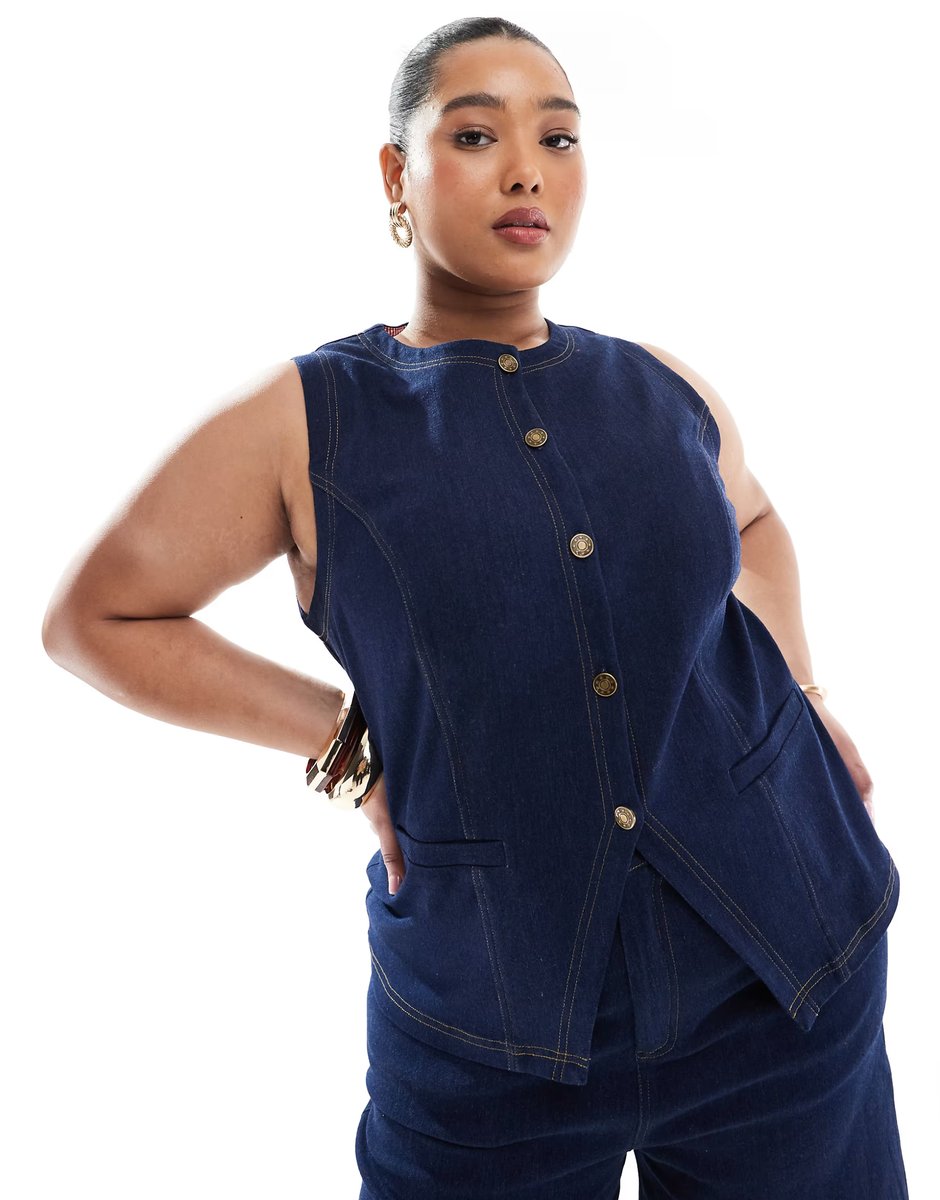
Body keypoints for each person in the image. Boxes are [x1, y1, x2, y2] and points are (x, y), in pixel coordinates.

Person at [42, 16, 908, 1199]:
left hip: (788, 977)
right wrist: (344, 744)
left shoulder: (662, 386)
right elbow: (97, 618)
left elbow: (753, 524)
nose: (526, 171)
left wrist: (800, 688)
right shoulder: (309, 420)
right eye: (473, 134)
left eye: (558, 137)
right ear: (396, 174)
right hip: (487, 1031)